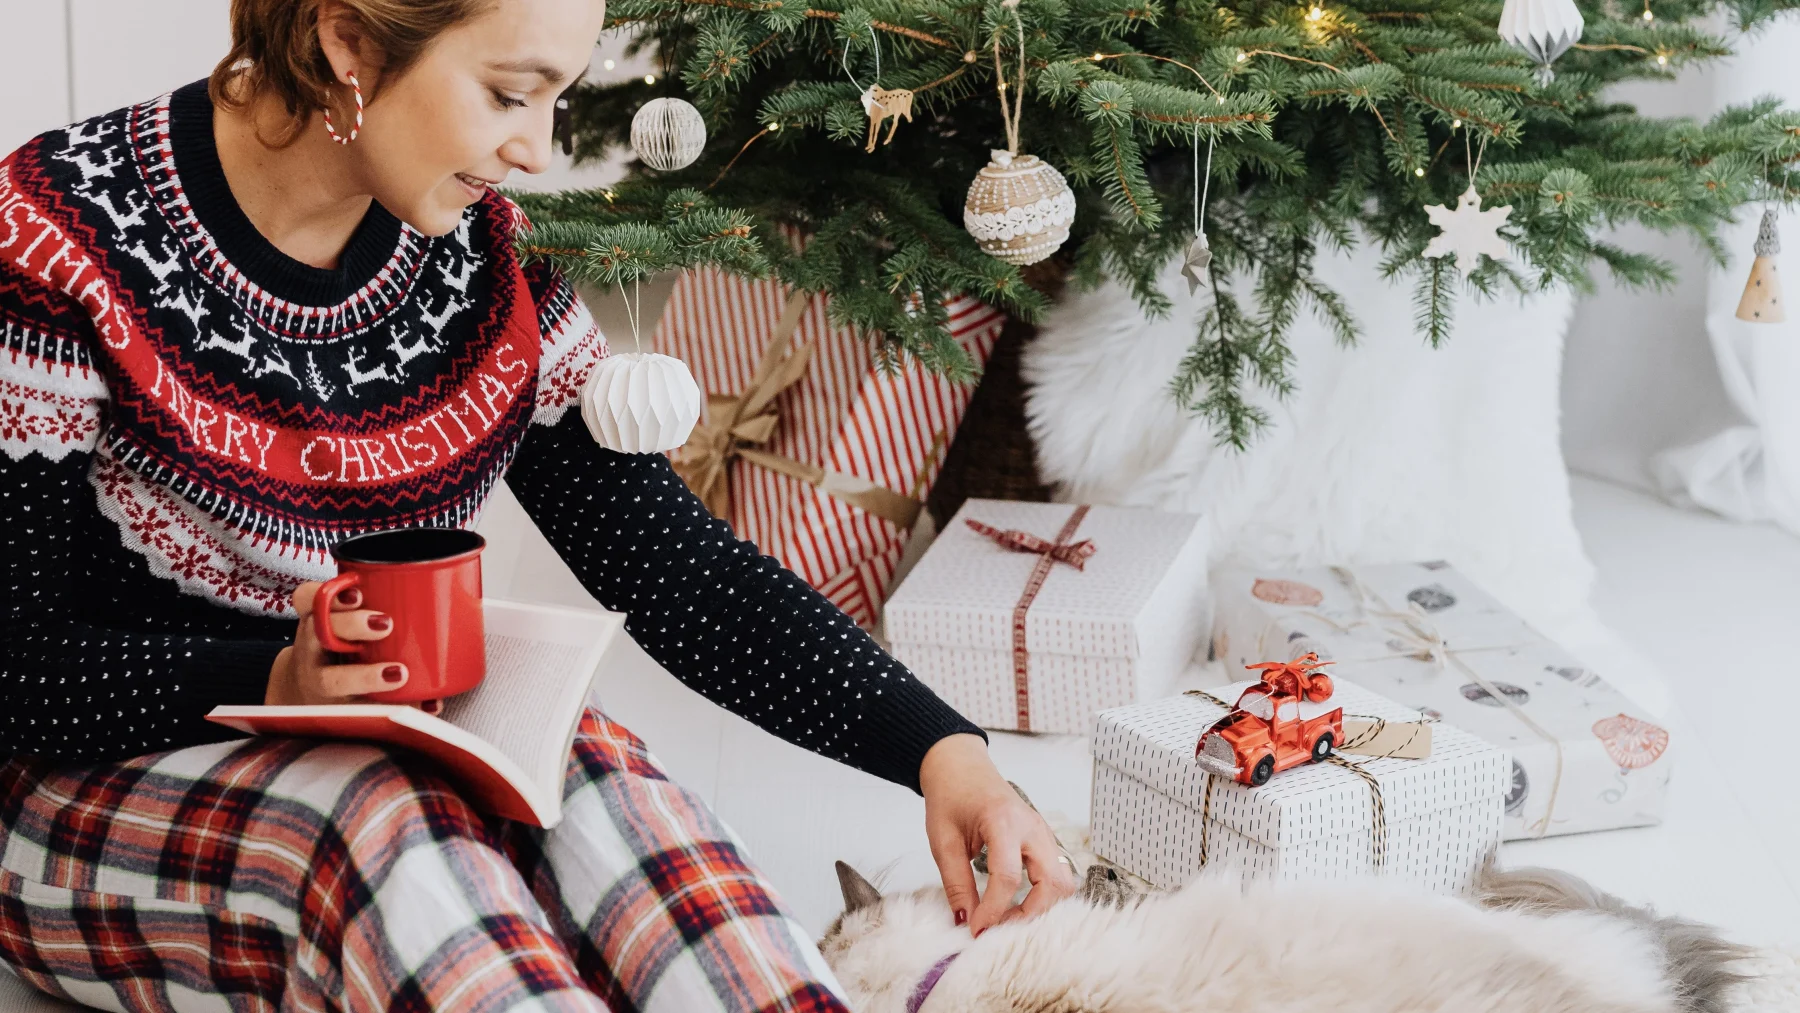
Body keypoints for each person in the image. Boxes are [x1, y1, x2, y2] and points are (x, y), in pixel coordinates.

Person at [0, 0, 1076, 1008]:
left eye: (558, 96)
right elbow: (13, 668)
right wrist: (272, 678)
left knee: (593, 768)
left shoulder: (479, 258)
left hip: (366, 754)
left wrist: (947, 754)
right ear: (346, 43)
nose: (540, 148)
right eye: (512, 94)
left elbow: (676, 570)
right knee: (383, 815)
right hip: (81, 790)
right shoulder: (56, 234)